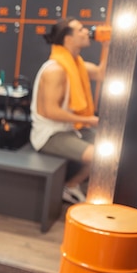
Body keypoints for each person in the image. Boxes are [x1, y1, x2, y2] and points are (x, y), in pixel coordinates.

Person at [30, 17, 109, 204]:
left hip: (70, 129)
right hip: (50, 136)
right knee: (102, 158)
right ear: (68, 39)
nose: (86, 31)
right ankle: (71, 186)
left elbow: (100, 74)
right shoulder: (55, 70)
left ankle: (75, 186)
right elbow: (50, 111)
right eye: (81, 29)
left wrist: (106, 45)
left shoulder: (76, 64)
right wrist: (90, 120)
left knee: (113, 150)